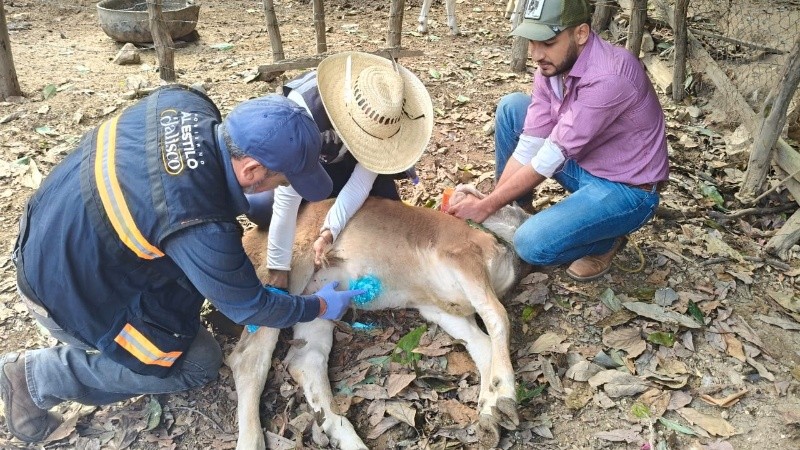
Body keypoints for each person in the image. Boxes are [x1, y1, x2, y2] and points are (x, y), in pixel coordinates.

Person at [1, 85, 366, 443]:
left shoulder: (183, 101)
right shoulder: (199, 222)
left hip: (48, 236)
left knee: (195, 267)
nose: (287, 187)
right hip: (63, 295)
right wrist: (316, 305)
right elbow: (250, 307)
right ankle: (37, 376)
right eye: (284, 180)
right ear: (253, 170)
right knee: (198, 362)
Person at [447, 0, 669, 281]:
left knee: (531, 245)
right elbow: (530, 144)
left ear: (581, 34)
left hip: (626, 190)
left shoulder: (609, 76)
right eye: (532, 42)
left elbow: (548, 157)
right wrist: (494, 204)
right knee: (513, 107)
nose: (537, 54)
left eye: (549, 42)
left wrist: (486, 207)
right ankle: (518, 209)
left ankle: (608, 241)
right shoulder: (551, 68)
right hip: (584, 162)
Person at [244, 51, 433, 290]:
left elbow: (360, 183)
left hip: (343, 161)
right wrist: (278, 268)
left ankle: (323, 207)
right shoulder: (304, 115)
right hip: (314, 161)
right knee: (260, 206)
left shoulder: (384, 117)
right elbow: (287, 195)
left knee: (387, 216)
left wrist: (329, 232)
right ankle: (311, 208)